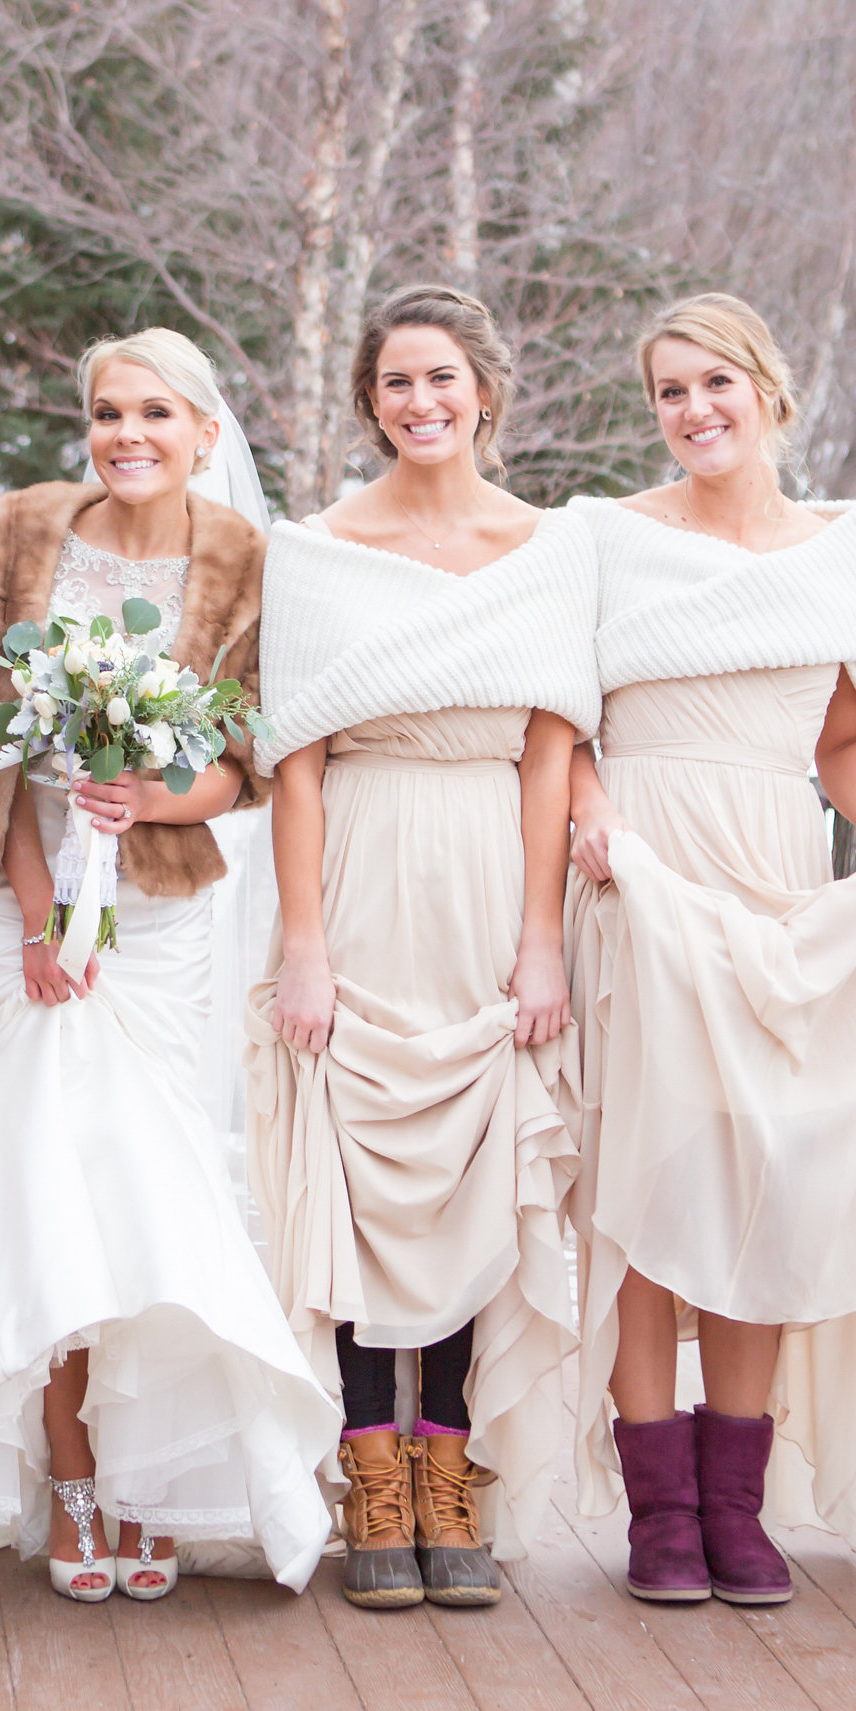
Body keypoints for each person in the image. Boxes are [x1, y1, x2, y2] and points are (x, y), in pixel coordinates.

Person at [0, 331, 336, 1608]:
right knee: (40, 1184)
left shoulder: (249, 561)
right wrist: (46, 907)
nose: (127, 434)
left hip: (162, 924)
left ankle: (146, 1474)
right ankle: (67, 1471)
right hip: (24, 911)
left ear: (205, 432)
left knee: (144, 1190)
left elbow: (251, 758)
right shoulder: (8, 536)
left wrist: (157, 796)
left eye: (156, 412)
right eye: (108, 411)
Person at [561, 294, 856, 1608]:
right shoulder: (602, 537)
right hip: (643, 875)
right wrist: (592, 813)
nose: (694, 409)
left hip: (776, 879)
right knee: (649, 1181)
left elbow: (843, 739)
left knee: (767, 1175)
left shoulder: (845, 551)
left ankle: (737, 1503)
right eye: (669, 390)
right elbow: (562, 722)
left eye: (715, 381)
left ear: (770, 389)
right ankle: (660, 1510)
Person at [250, 285, 595, 1611]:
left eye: (442, 376)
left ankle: (450, 1467)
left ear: (485, 389)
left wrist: (541, 937)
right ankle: (369, 1473)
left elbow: (552, 749)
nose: (421, 401)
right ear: (369, 400)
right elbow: (295, 761)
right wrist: (304, 944)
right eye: (397, 380)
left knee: (471, 1166)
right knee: (353, 1163)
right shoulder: (316, 549)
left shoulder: (550, 547)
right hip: (360, 859)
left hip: (491, 865)